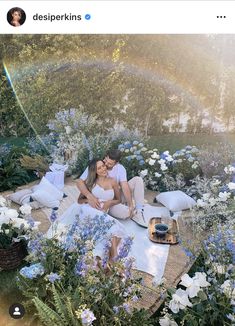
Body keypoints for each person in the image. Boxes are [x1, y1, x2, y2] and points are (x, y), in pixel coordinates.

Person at [47, 158, 127, 262]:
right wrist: (88, 200)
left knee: (113, 231)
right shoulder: (90, 182)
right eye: (99, 168)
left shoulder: (113, 181)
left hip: (101, 213)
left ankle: (113, 261)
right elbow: (80, 200)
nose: (103, 169)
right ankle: (114, 261)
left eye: (103, 165)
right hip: (88, 210)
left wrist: (109, 203)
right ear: (95, 171)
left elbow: (118, 199)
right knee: (113, 226)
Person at [77, 149, 147, 227]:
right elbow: (80, 182)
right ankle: (120, 209)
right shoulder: (96, 165)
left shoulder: (120, 169)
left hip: (115, 197)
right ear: (105, 156)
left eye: (109, 164)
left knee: (138, 180)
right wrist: (89, 197)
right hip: (100, 201)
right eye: (105, 160)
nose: (105, 165)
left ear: (116, 163)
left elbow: (125, 186)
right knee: (124, 212)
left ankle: (139, 212)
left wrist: (130, 205)